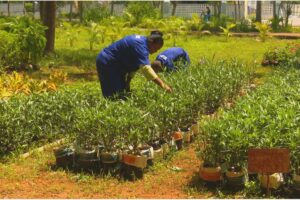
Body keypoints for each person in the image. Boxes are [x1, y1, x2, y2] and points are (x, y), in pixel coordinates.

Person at [96, 30, 172, 98]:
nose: (155, 52)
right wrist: (163, 85)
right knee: (114, 95)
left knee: (122, 92)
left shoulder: (143, 44)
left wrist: (128, 82)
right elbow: (146, 69)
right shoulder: (140, 46)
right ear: (151, 42)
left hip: (117, 66)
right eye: (156, 48)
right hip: (108, 63)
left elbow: (135, 65)